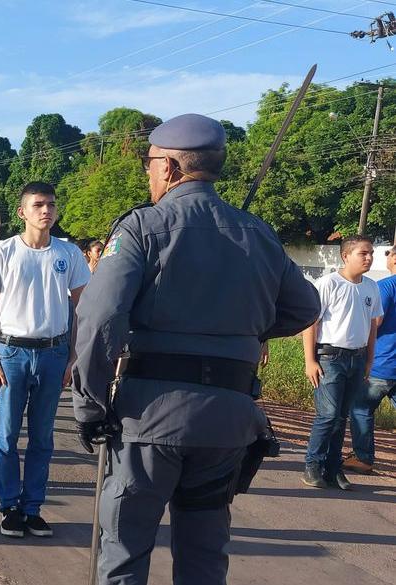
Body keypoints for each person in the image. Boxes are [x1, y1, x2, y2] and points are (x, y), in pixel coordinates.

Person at [73, 114, 320, 583]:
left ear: (168, 167)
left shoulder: (144, 227)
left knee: (123, 553)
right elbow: (305, 308)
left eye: (149, 163)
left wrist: (88, 406)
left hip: (151, 419)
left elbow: (99, 319)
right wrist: (244, 329)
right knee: (205, 559)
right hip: (227, 421)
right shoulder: (258, 233)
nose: (148, 173)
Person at [0, 181, 90, 539]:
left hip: (53, 352)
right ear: (22, 211)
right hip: (12, 353)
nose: (47, 211)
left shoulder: (69, 254)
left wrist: (73, 356)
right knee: (8, 435)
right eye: (39, 205)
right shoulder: (3, 252)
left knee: (42, 436)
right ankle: (9, 506)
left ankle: (33, 508)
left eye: (52, 205)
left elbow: (81, 309)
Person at [302, 235, 382, 489]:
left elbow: (372, 326)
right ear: (346, 256)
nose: (368, 258)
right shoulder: (328, 284)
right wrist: (310, 361)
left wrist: (369, 359)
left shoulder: (371, 287)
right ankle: (312, 465)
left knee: (341, 417)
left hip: (356, 358)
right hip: (330, 358)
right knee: (327, 415)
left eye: (370, 253)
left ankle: (333, 468)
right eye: (363, 253)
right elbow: (310, 323)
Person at [345, 247, 396, 475]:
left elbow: (375, 322)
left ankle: (363, 458)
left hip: (383, 363)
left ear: (394, 258)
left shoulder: (385, 286)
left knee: (361, 408)